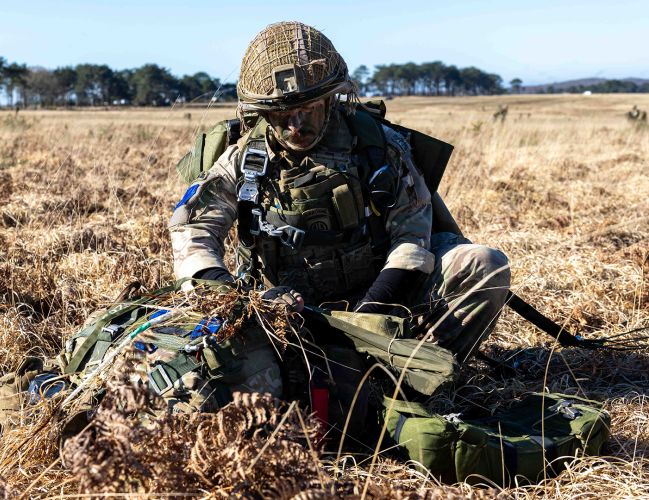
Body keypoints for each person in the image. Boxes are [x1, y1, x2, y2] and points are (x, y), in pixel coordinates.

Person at [169, 21, 510, 438]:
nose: (296, 124)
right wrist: (232, 296)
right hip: (284, 314)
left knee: (484, 265)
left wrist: (371, 316)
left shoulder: (378, 149)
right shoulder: (244, 159)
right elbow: (193, 229)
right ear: (262, 113)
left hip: (381, 299)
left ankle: (409, 383)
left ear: (332, 100)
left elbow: (413, 236)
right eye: (282, 114)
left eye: (308, 109)